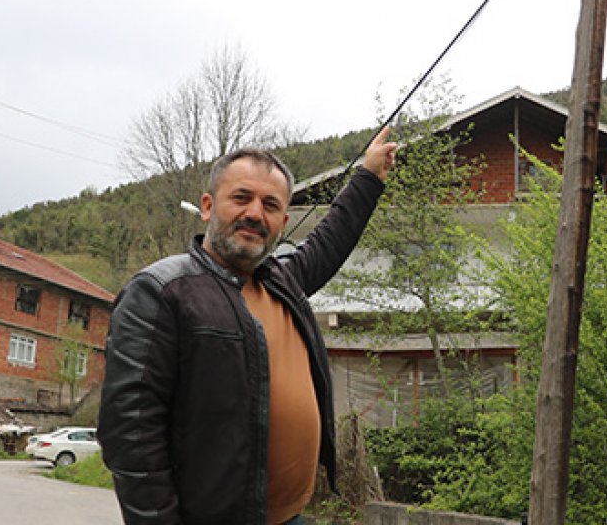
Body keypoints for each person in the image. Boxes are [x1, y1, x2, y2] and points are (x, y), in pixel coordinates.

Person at [98, 128, 398, 525]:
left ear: (283, 221)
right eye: (241, 198)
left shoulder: (283, 283)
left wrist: (369, 176)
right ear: (207, 207)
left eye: (270, 205)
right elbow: (130, 435)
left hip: (292, 516)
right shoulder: (161, 291)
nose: (255, 213)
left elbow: (330, 239)